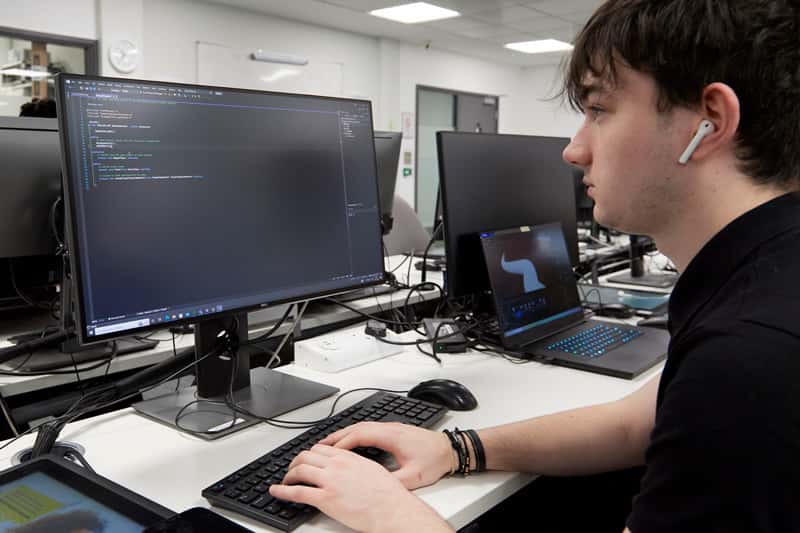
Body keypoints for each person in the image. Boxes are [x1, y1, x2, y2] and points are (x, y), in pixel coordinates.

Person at [270, 1, 800, 531]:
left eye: (598, 110)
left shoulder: (748, 357)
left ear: (710, 122)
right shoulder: (763, 278)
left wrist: (390, 513)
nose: (573, 149)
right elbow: (635, 424)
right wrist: (456, 448)